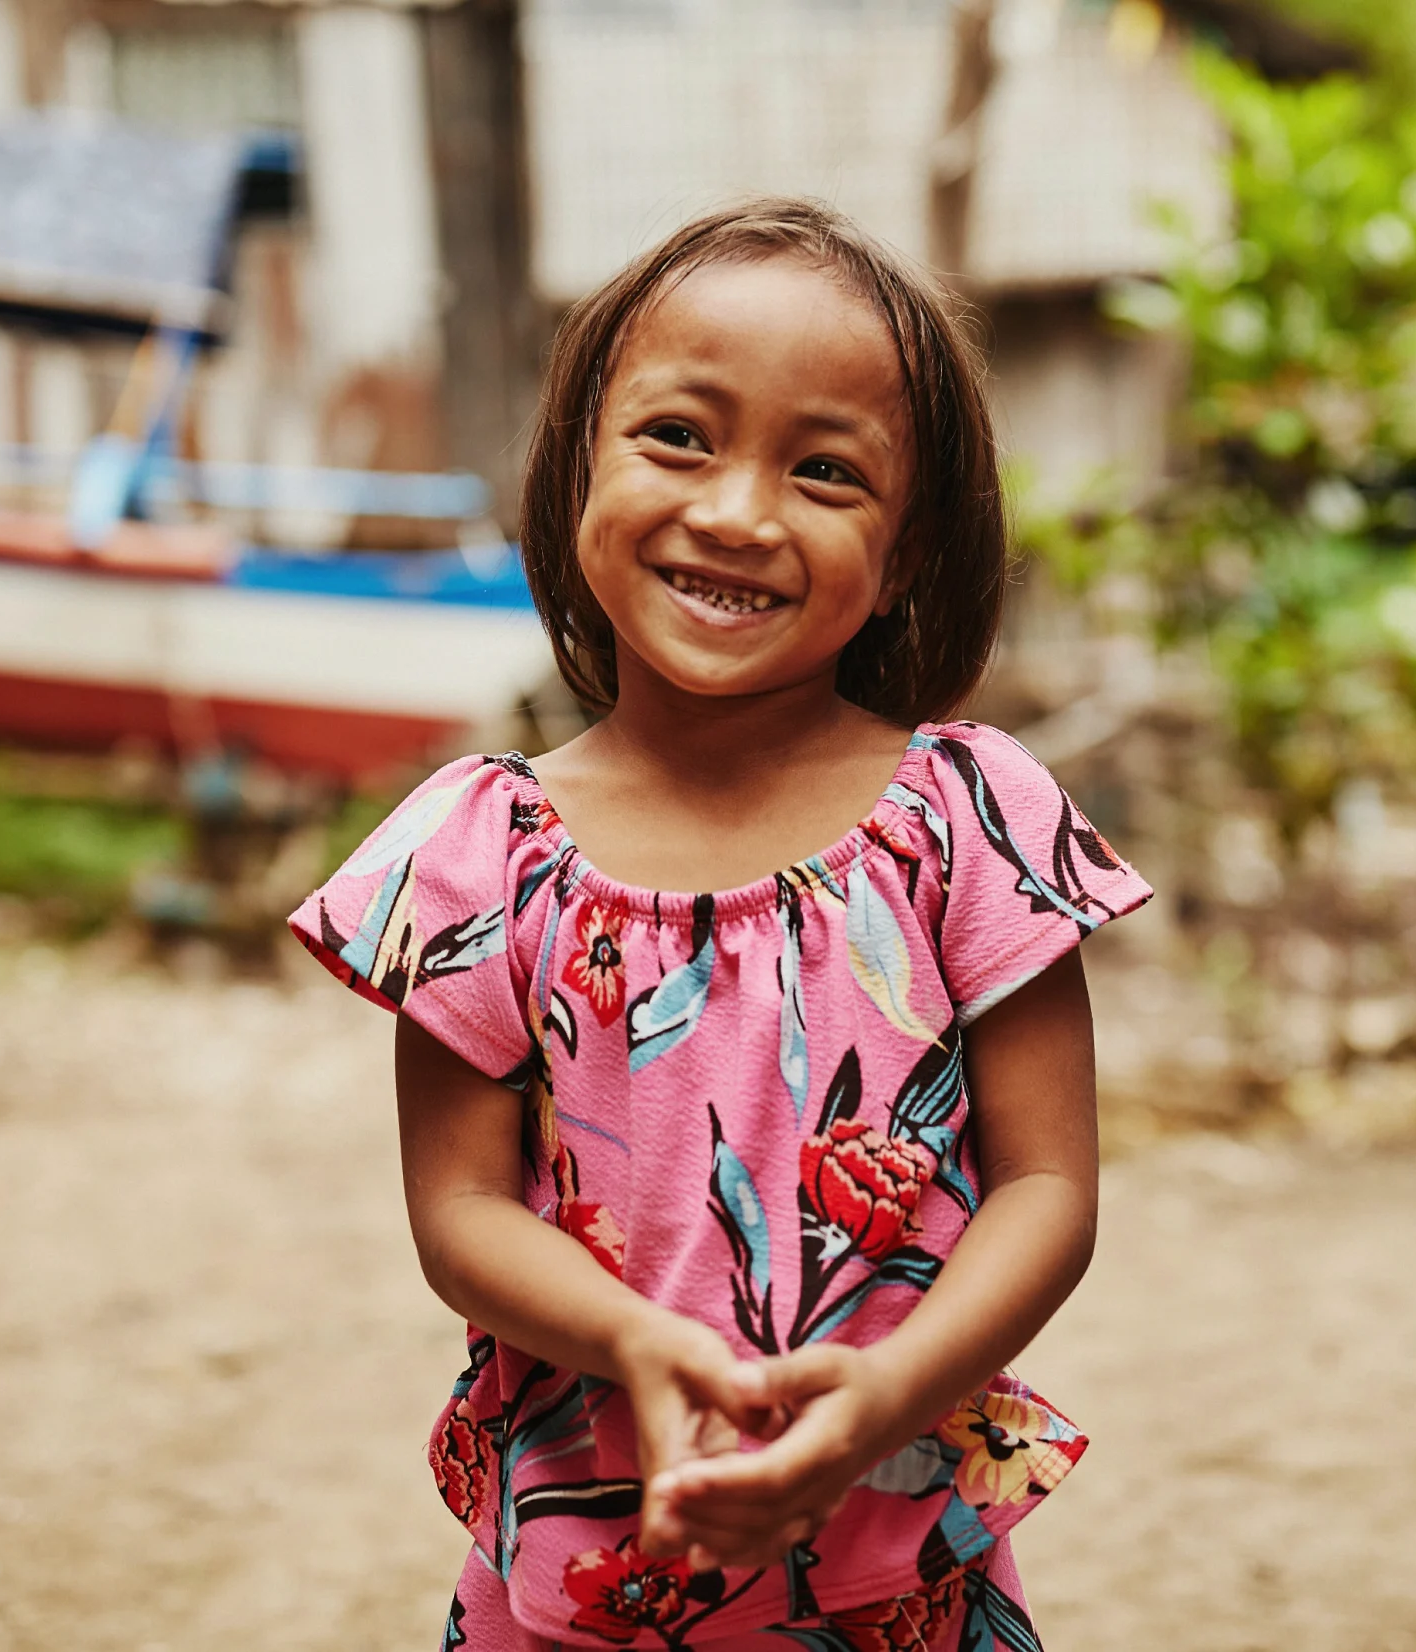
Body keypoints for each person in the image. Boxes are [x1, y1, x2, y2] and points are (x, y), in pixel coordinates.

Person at [290, 197, 1152, 1651]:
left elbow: (1049, 1190)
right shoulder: (479, 853)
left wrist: (890, 1389)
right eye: (679, 435)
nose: (739, 513)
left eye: (825, 470)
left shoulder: (968, 819)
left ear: (910, 542)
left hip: (897, 1575)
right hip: (583, 1572)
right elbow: (457, 1210)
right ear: (577, 463)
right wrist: (637, 1342)